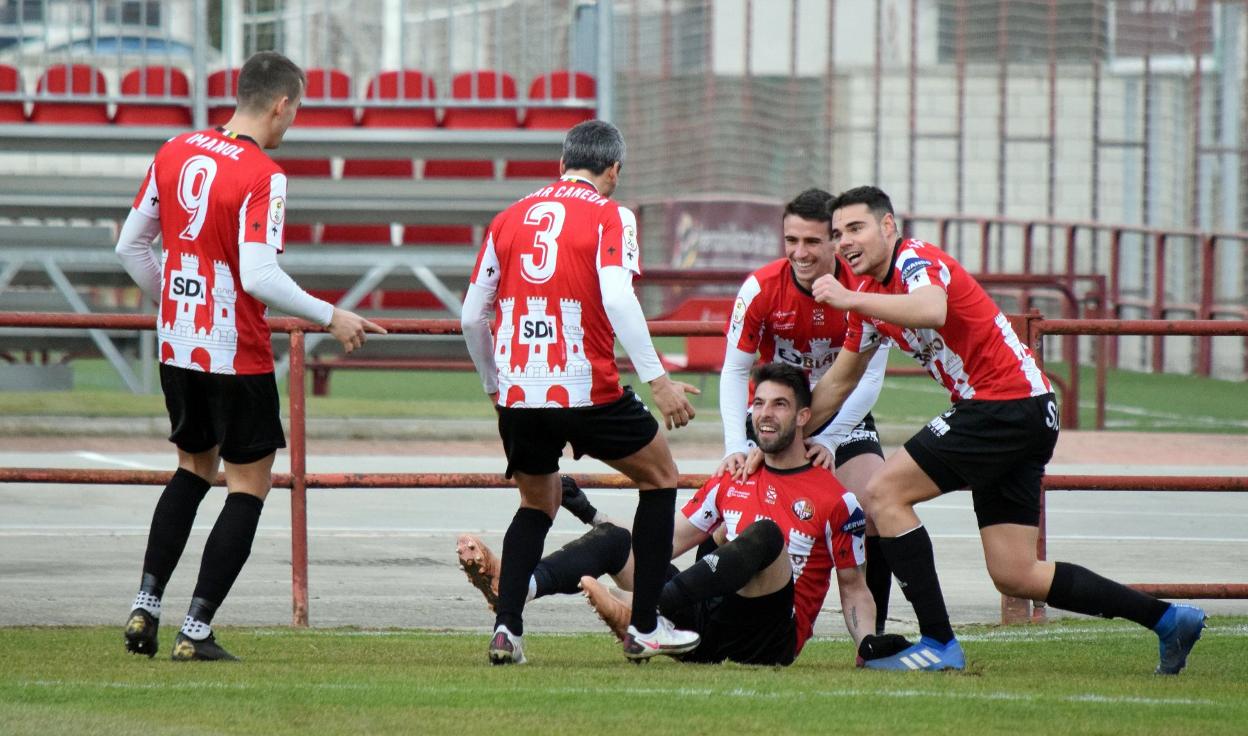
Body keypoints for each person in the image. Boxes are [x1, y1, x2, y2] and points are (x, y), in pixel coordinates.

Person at [804, 185, 1206, 673]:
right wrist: (790, 434)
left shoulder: (915, 259)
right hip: (1024, 411)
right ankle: (1168, 620)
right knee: (1017, 574)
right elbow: (838, 383)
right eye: (838, 233)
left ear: (888, 226)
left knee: (883, 493)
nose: (845, 241)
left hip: (1003, 404)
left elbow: (932, 308)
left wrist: (850, 297)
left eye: (856, 228)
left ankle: (939, 644)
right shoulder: (866, 299)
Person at [116, 51, 383, 661]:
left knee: (191, 470)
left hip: (180, 344)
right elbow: (260, 276)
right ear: (282, 104)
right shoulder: (264, 174)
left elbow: (131, 247)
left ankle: (144, 606)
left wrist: (175, 304)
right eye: (297, 110)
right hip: (233, 350)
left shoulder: (174, 149)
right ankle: (195, 630)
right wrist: (331, 315)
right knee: (248, 485)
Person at [459, 364, 913, 666]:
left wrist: (866, 645)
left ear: (803, 417)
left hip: (769, 637)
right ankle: (517, 588)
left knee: (765, 535)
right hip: (704, 628)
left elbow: (854, 588)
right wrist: (600, 523)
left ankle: (643, 613)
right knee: (617, 539)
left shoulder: (836, 497)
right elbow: (664, 544)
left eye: (780, 405)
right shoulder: (732, 478)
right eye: (758, 404)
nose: (765, 415)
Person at [460, 119, 701, 665]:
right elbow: (617, 299)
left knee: (536, 503)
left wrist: (496, 386)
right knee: (660, 477)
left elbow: (472, 317)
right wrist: (659, 381)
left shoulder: (507, 218)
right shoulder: (612, 215)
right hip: (586, 388)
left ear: (561, 163)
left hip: (520, 393)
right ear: (613, 169)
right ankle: (645, 626)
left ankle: (507, 630)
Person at [716, 187, 894, 635]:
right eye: (791, 240)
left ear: (836, 241)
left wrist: (828, 439)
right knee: (726, 519)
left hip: (841, 417)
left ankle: (873, 642)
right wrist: (735, 445)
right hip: (773, 418)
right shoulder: (759, 288)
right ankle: (710, 624)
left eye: (812, 241)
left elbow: (870, 378)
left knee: (875, 508)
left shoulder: (866, 288)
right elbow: (734, 370)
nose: (800, 252)